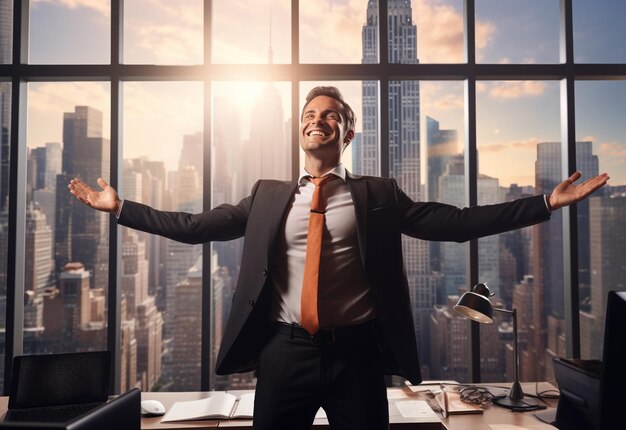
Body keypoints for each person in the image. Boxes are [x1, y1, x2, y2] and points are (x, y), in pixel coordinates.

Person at [69, 86, 609, 430]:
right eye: (309, 113)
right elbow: (192, 228)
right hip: (285, 353)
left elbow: (459, 223)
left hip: (357, 356)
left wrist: (544, 203)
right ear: (300, 129)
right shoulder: (267, 195)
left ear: (346, 132)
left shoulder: (378, 194)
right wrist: (122, 209)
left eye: (330, 115)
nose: (317, 120)